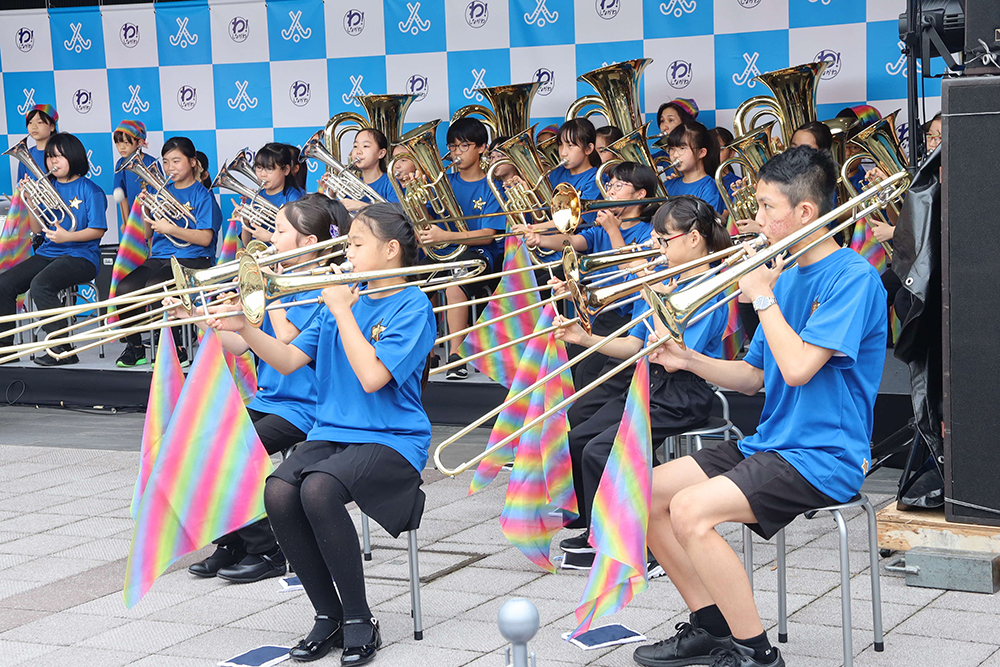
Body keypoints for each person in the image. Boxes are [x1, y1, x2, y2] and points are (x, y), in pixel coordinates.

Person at [633, 146, 887, 667]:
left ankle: (758, 655)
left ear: (805, 213)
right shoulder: (785, 276)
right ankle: (711, 628)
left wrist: (762, 297)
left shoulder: (852, 278)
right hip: (771, 442)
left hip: (824, 454)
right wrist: (687, 360)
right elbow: (754, 378)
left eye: (768, 207)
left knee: (690, 511)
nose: (757, 219)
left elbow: (796, 369)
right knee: (642, 492)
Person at [207, 202, 435, 665]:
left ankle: (358, 618)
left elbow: (373, 377)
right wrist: (245, 330)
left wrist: (342, 310)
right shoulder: (343, 297)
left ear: (391, 251)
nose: (346, 252)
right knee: (278, 490)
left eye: (355, 244)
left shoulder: (413, 305)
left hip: (391, 436)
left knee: (318, 488)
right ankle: (326, 615)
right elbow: (289, 360)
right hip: (333, 430)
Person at [176, 194, 349, 583]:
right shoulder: (279, 282)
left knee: (231, 452)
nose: (271, 237)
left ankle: (270, 548)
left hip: (306, 409)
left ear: (307, 241)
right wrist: (199, 317)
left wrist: (263, 293)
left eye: (280, 230)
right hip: (269, 399)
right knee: (195, 446)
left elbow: (287, 340)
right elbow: (241, 345)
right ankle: (232, 540)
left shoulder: (321, 285)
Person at [554, 196, 731, 570]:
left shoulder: (711, 287)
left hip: (684, 391)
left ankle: (646, 545)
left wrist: (655, 295)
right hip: (646, 384)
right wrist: (583, 338)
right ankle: (598, 529)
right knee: (579, 438)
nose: (656, 248)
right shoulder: (660, 280)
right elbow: (634, 346)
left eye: (664, 240)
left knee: (604, 450)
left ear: (695, 238)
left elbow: (677, 356)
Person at [524, 162, 657, 390]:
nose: (611, 190)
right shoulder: (599, 229)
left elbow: (633, 270)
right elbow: (573, 241)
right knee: (567, 366)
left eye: (619, 185)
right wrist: (540, 239)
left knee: (587, 372)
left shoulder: (649, 232)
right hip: (600, 312)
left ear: (640, 194)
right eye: (609, 184)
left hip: (629, 316)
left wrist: (613, 230)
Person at [0, 133, 107, 364]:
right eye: (49, 157)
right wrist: (28, 199)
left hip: (82, 256)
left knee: (41, 285)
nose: (52, 162)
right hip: (49, 252)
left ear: (74, 158)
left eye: (59, 156)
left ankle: (62, 348)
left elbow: (98, 230)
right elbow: (37, 228)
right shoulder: (47, 187)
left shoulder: (91, 190)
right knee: (4, 284)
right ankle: (5, 348)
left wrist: (68, 236)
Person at [115, 137, 222, 368]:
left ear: (193, 162)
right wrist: (146, 209)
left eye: (176, 161)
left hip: (194, 259)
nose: (170, 167)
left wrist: (172, 228)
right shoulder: (161, 191)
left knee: (157, 286)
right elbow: (146, 233)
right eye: (166, 162)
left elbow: (205, 238)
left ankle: (177, 350)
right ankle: (135, 348)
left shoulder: (203, 195)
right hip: (161, 256)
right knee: (124, 289)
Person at [413, 117, 504, 380]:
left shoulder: (492, 185)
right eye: (452, 147)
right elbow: (426, 221)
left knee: (455, 284)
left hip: (481, 255)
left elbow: (488, 236)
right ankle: (424, 352)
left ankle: (456, 355)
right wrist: (415, 195)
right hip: (445, 250)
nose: (456, 153)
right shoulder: (444, 183)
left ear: (482, 148)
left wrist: (447, 234)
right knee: (415, 280)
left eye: (464, 146)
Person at [240, 143, 306, 244]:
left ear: (286, 170)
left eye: (269, 169)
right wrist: (245, 222)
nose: (262, 174)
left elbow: (299, 240)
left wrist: (270, 237)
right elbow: (246, 243)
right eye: (259, 168)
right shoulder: (253, 198)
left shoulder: (294, 198)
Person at [664, 122, 725, 215]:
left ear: (701, 152)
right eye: (671, 148)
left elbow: (706, 226)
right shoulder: (667, 185)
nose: (675, 155)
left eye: (682, 148)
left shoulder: (710, 188)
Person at [112, 120, 159, 236]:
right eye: (118, 143)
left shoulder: (151, 162)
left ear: (139, 142)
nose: (121, 147)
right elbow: (122, 195)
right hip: (133, 216)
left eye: (126, 143)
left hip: (151, 215)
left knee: (150, 246)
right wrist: (127, 221)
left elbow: (158, 193)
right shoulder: (120, 164)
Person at [334, 129, 399, 210]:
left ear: (381, 153)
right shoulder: (350, 185)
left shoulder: (391, 183)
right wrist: (332, 196)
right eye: (355, 146)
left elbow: (396, 214)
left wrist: (363, 206)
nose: (358, 151)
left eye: (365, 146)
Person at [16, 104, 58, 183]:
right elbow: (19, 184)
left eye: (39, 122)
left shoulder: (61, 152)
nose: (34, 127)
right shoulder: (25, 155)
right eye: (30, 122)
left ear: (52, 127)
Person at [653, 98, 699, 162]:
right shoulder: (657, 158)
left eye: (671, 120)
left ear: (685, 123)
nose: (664, 127)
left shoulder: (697, 155)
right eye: (662, 121)